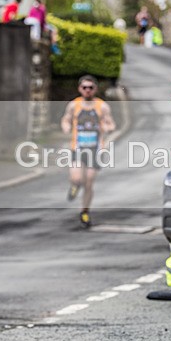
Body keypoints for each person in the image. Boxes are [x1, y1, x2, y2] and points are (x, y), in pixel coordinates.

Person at [60, 75, 115, 228]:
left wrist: (107, 128)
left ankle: (85, 211)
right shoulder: (74, 105)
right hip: (77, 148)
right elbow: (66, 119)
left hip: (94, 150)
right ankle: (74, 186)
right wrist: (66, 127)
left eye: (90, 88)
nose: (87, 90)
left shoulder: (102, 106)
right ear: (79, 89)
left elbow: (111, 124)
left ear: (95, 89)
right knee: (77, 178)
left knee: (89, 182)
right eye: (84, 87)